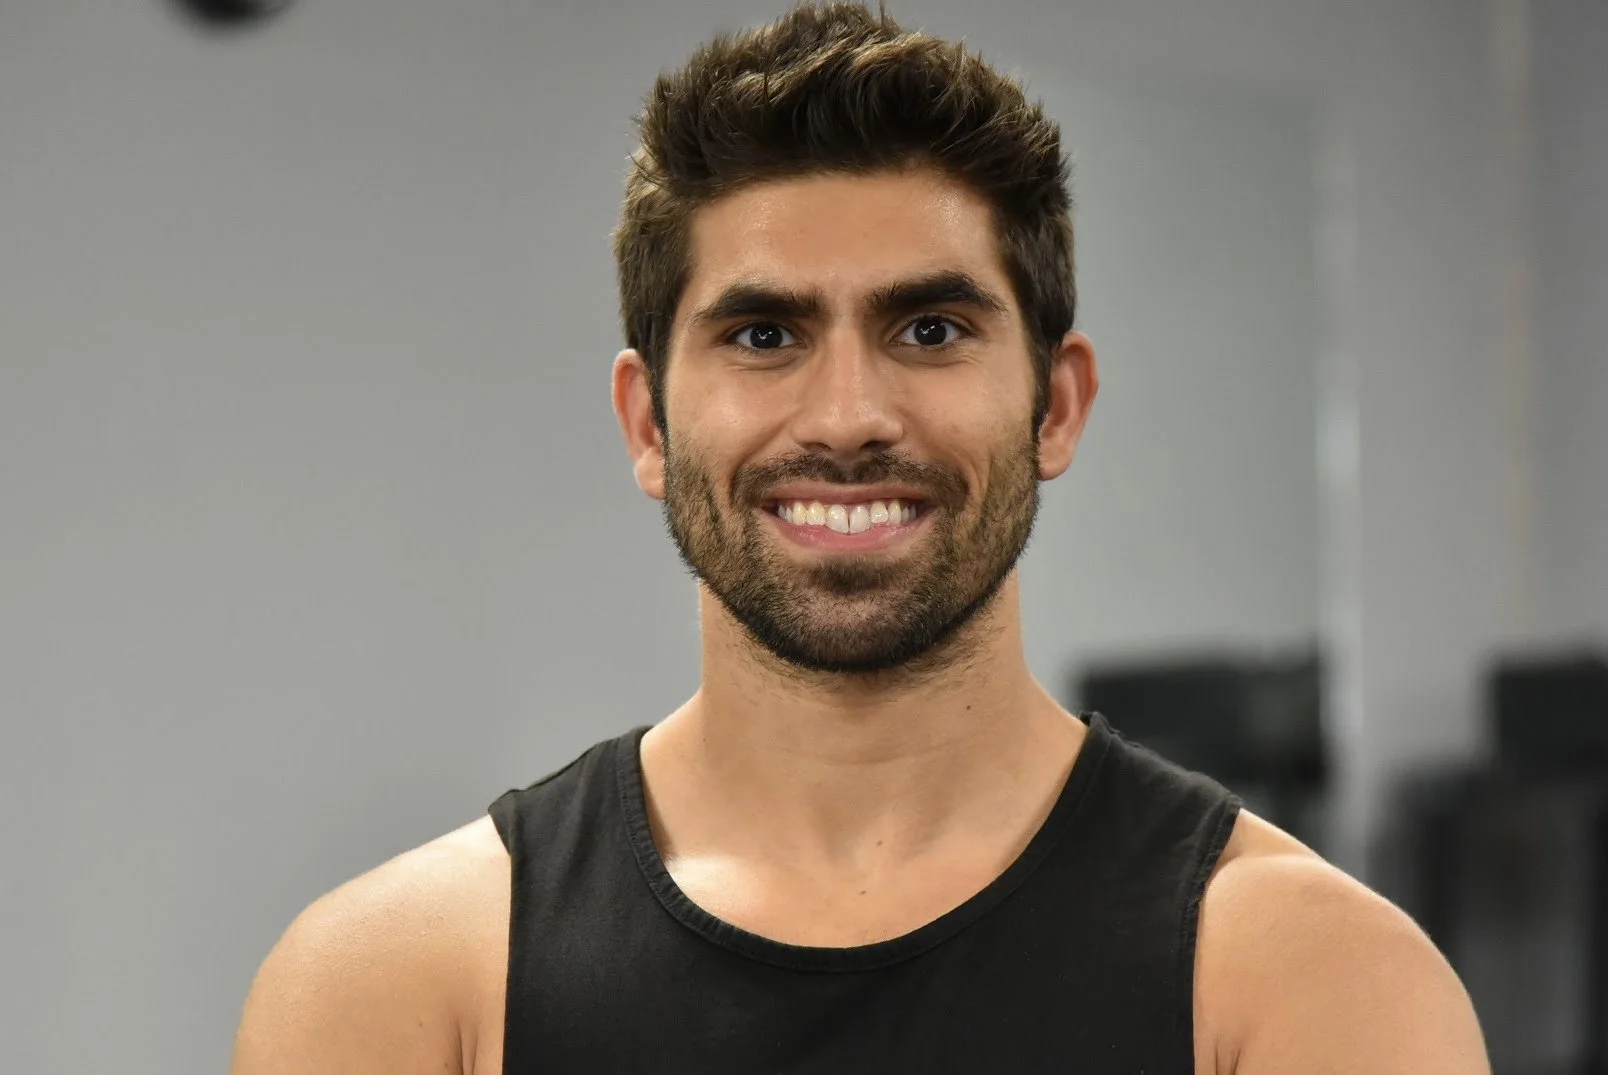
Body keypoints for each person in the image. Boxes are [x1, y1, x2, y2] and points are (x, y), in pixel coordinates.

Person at [229, 3, 1490, 1072]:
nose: (848, 418)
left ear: (1055, 404)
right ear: (648, 421)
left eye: (930, 329)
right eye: (764, 334)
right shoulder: (402, 987)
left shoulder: (1312, 989)